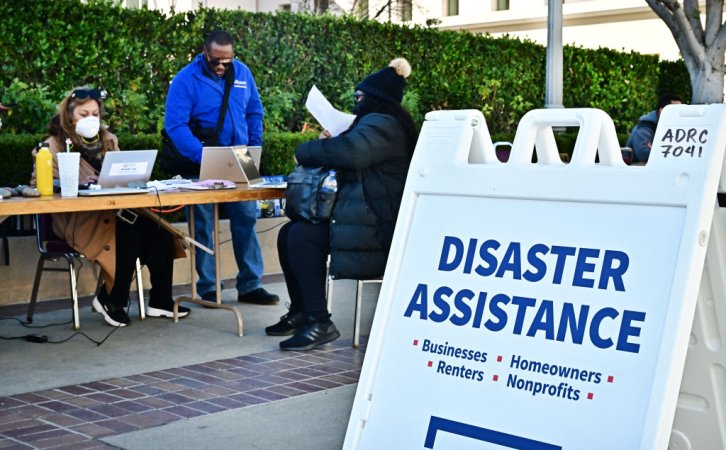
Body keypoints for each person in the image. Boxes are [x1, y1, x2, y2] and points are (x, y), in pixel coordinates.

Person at [267, 58, 418, 351]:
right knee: (290, 233)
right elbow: (351, 149)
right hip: (364, 219)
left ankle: (319, 322)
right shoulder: (381, 123)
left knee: (301, 236)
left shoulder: (384, 124)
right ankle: (302, 311)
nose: (355, 102)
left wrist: (307, 149)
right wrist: (333, 139)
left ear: (376, 99)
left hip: (378, 227)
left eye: (360, 97)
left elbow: (350, 153)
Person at [31, 87, 191, 327]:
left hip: (112, 211)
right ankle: (112, 300)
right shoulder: (51, 145)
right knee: (128, 228)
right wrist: (75, 184)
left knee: (157, 228)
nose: (90, 119)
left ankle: (160, 301)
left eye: (95, 113)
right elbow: (37, 185)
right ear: (69, 115)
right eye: (84, 114)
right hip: (78, 220)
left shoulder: (108, 140)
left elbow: (119, 173)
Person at [164, 30, 278, 305]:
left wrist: (254, 148)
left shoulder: (243, 73)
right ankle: (208, 287)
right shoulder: (185, 79)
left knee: (247, 219)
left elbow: (254, 112)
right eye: (216, 60)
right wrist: (202, 157)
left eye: (227, 61)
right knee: (202, 224)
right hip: (202, 158)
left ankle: (251, 285)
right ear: (205, 52)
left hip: (242, 155)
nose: (221, 66)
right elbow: (175, 125)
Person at [625, 93, 683, 163]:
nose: (678, 114)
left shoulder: (672, 126)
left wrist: (656, 148)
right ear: (662, 111)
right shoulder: (644, 128)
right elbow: (643, 155)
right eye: (675, 111)